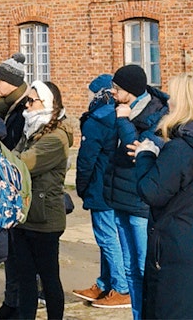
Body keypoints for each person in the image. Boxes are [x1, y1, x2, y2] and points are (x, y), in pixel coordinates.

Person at [133, 74, 193, 319]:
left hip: (178, 248)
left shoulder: (180, 149)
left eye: (175, 98)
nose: (169, 104)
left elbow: (150, 191)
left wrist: (146, 155)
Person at [102, 65, 168, 320]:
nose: (113, 92)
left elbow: (134, 151)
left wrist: (123, 119)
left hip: (140, 200)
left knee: (144, 267)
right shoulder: (119, 109)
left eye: (117, 88)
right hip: (119, 196)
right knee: (130, 268)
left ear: (130, 90)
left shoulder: (157, 114)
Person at [6, 81, 72, 320]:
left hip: (45, 218)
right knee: (25, 279)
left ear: (47, 104)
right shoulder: (31, 130)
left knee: (48, 278)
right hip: (26, 215)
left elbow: (23, 163)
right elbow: (15, 154)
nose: (28, 105)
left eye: (32, 101)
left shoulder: (56, 138)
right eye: (27, 100)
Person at [72, 74, 131, 308]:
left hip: (100, 184)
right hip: (117, 185)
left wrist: (82, 187)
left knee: (107, 238)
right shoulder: (119, 116)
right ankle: (106, 283)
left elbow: (86, 160)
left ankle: (121, 287)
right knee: (113, 236)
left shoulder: (96, 120)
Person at [0, 52, 29, 319]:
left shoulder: (22, 110)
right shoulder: (5, 107)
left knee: (19, 254)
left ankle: (16, 303)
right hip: (10, 183)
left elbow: (14, 146)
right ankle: (12, 300)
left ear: (12, 82)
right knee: (13, 254)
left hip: (17, 185)